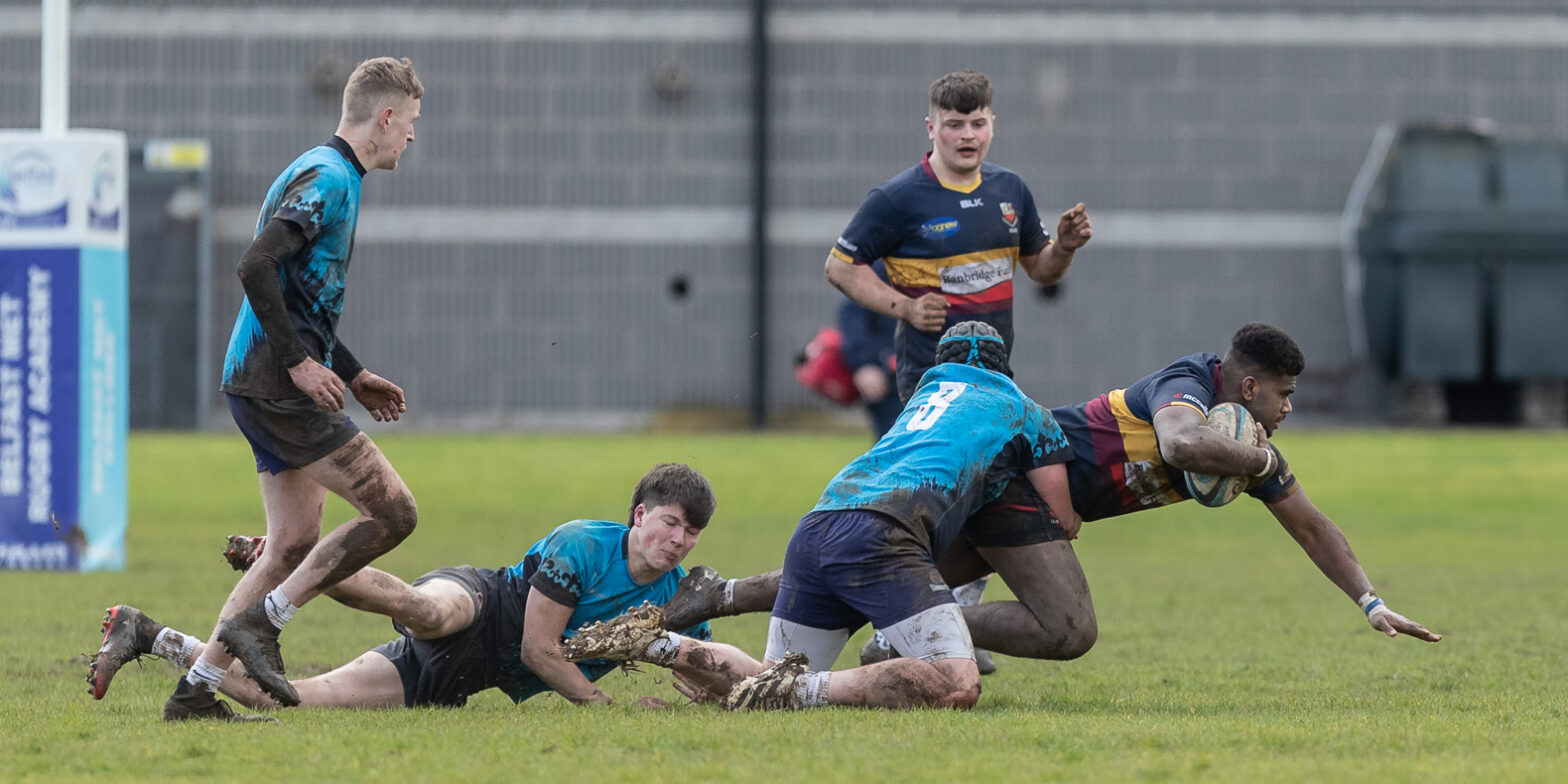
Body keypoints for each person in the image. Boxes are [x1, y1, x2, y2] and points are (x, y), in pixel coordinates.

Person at [662, 322, 1442, 670]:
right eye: (1284, 394)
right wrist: (1250, 456)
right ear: (1246, 385)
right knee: (1069, 630)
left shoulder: (1253, 449)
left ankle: (718, 591)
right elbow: (1178, 442)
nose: (1289, 408)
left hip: (1007, 495)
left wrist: (1370, 603)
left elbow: (1312, 527)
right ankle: (912, 633)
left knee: (881, 574)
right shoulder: (1188, 384)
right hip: (1022, 485)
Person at [559, 322, 1077, 711]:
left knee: (767, 675)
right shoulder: (1019, 403)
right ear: (1004, 368)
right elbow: (1059, 513)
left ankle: (656, 640)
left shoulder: (920, 399)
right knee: (957, 683)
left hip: (819, 524)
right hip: (884, 534)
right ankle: (804, 691)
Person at [161, 56, 425, 720]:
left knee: (290, 545)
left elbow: (301, 295)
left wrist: (352, 370)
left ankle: (195, 692)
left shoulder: (327, 171)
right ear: (386, 117)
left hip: (261, 382)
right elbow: (255, 266)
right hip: (278, 389)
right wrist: (302, 366)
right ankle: (263, 623)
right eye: (413, 123)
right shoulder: (330, 179)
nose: (413, 138)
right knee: (395, 514)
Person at [89, 464, 718, 720]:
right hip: (484, 603)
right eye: (671, 524)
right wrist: (609, 708)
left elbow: (705, 662)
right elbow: (537, 650)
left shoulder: (676, 595)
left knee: (279, 699)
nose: (680, 540)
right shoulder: (583, 544)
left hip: (461, 678)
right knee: (426, 609)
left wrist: (734, 692)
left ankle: (148, 633)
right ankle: (293, 558)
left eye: (691, 533)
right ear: (639, 515)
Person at [823, 70, 1094, 660]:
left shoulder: (1009, 191)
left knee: (980, 500)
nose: (966, 134)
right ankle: (907, 626)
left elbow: (1039, 269)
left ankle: (939, 627)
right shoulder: (898, 199)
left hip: (996, 382)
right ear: (932, 127)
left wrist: (1065, 248)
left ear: (992, 124)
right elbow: (840, 267)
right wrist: (903, 306)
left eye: (977, 123)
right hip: (929, 384)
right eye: (954, 124)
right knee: (939, 503)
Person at [837, 261, 901, 440]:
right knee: (893, 448)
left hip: (924, 370)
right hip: (888, 377)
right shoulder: (883, 265)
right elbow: (853, 315)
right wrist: (864, 364)